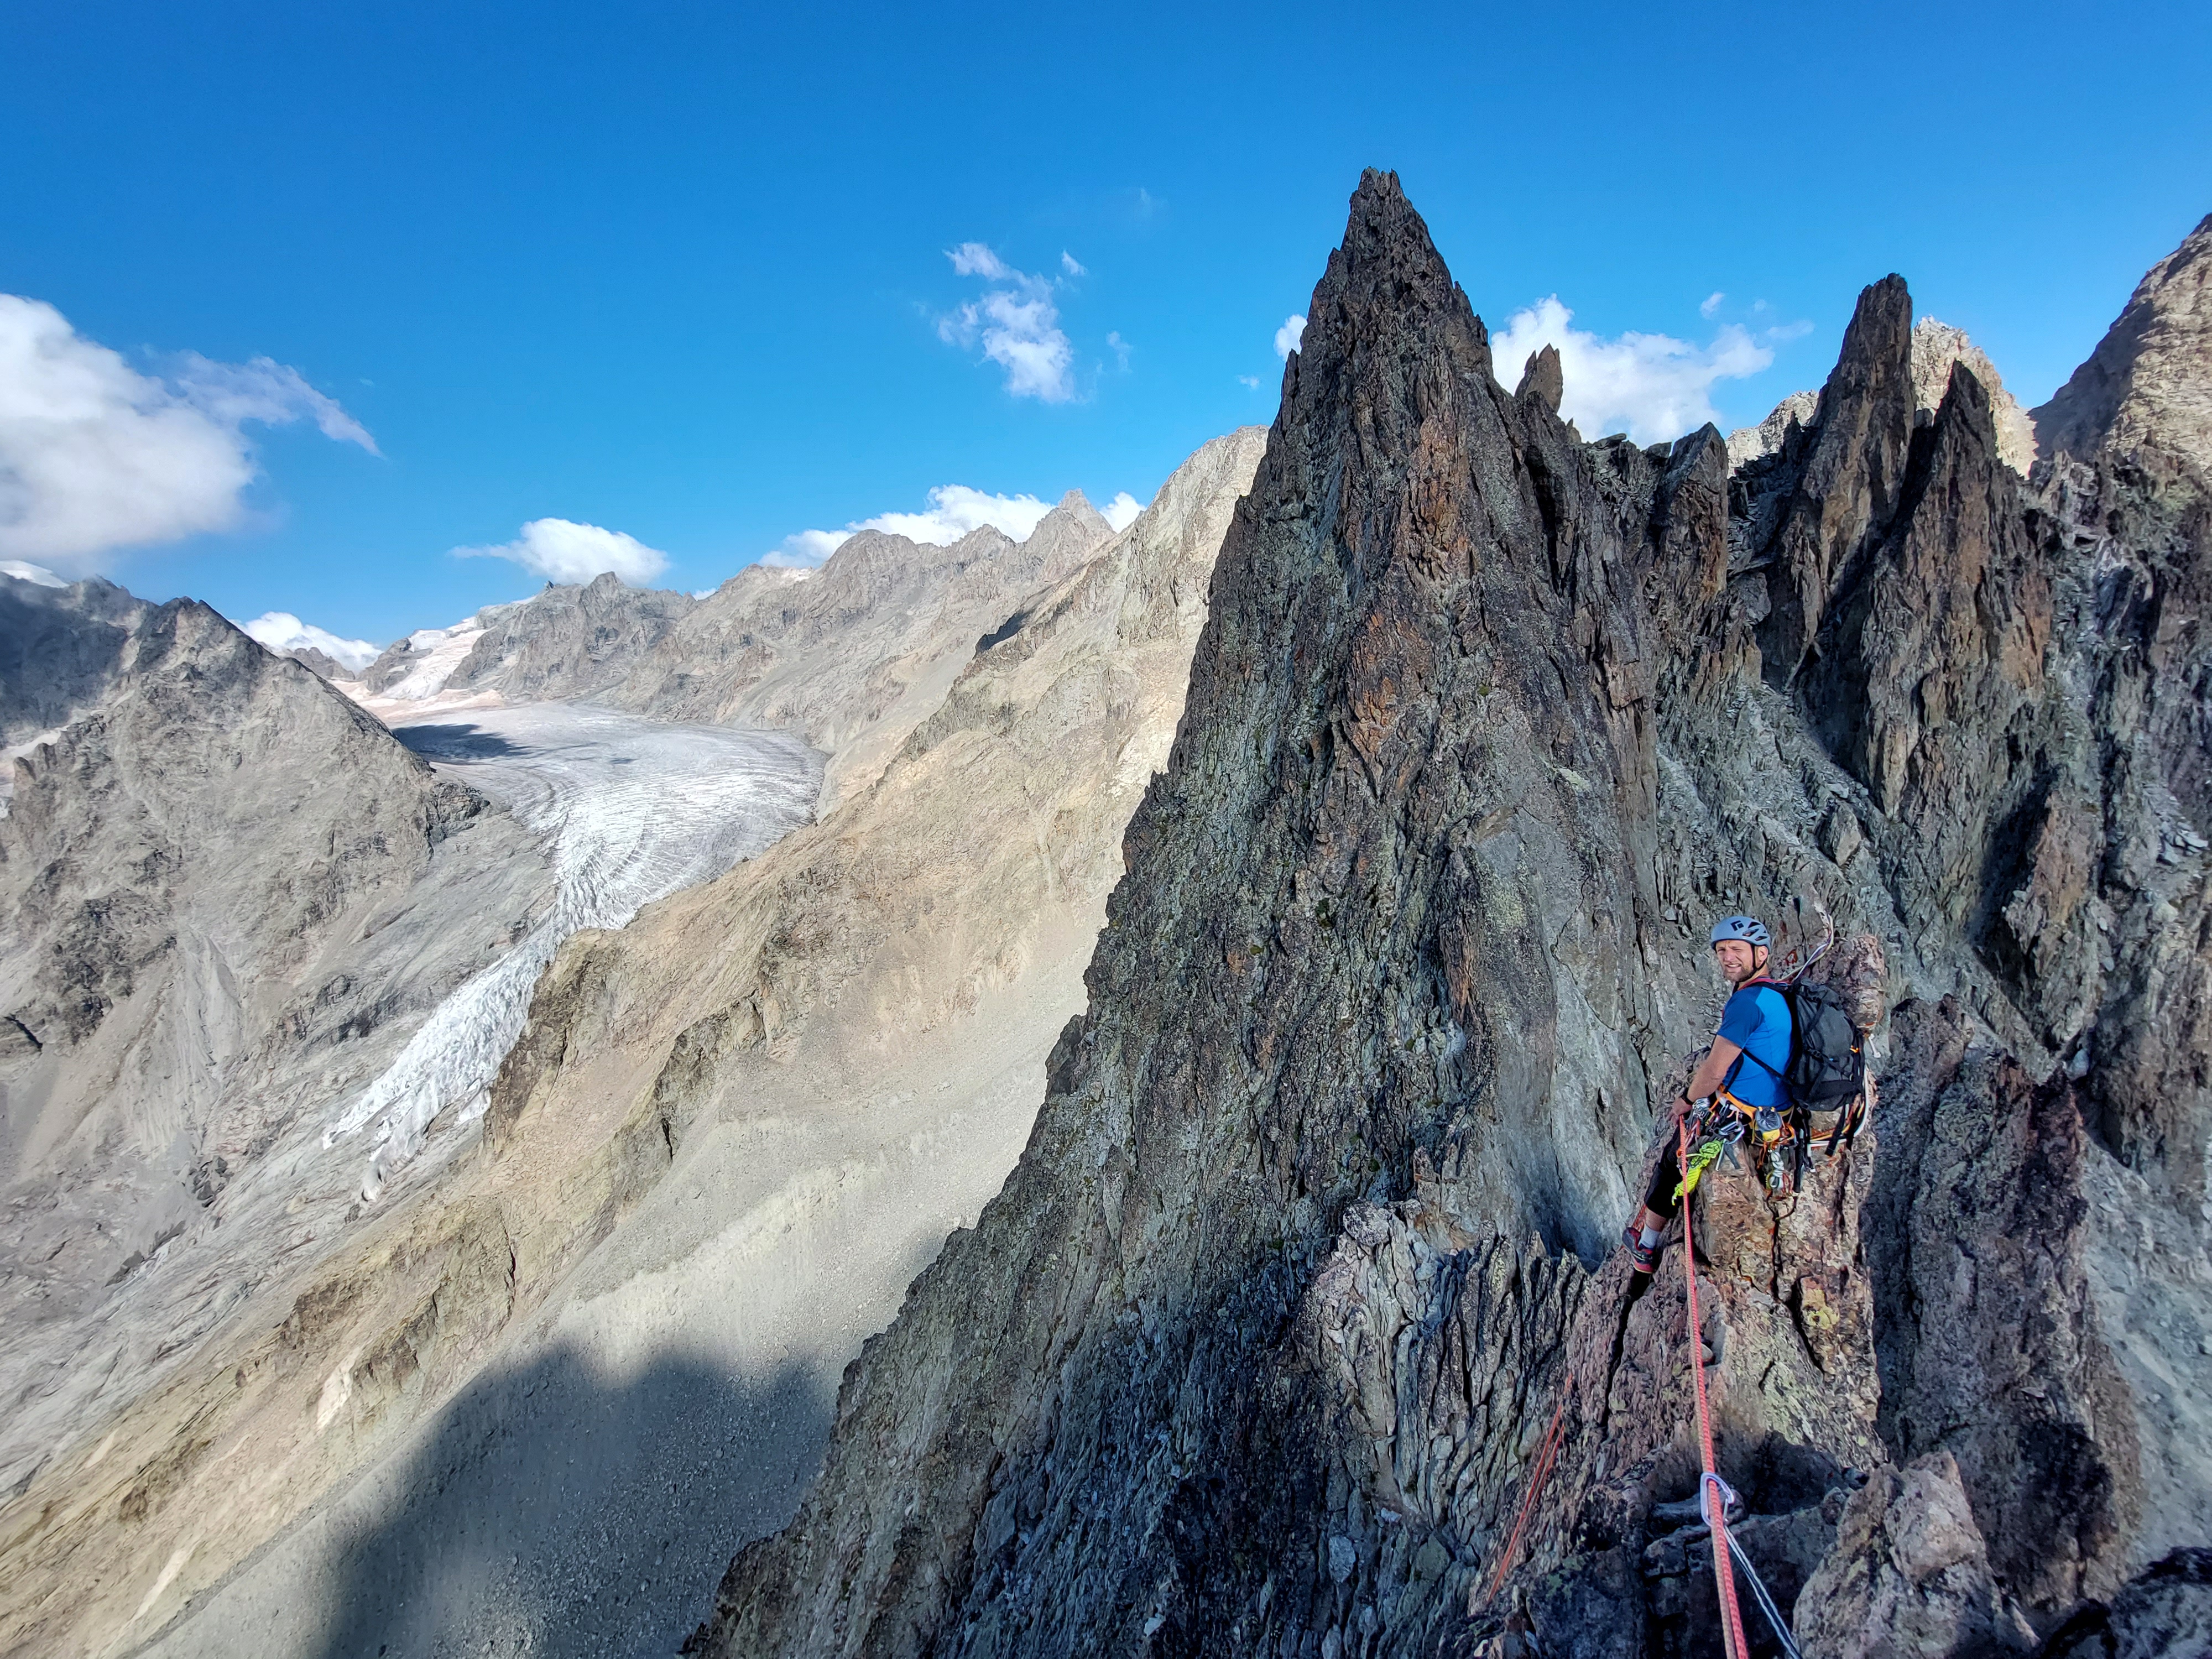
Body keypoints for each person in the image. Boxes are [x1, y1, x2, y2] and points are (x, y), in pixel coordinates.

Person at [1620, 915, 1792, 1274]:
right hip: (1778, 1107)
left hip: (1743, 1111)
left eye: (1736, 950)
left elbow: (1714, 1070)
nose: (1727, 958)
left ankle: (1647, 1246)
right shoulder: (1776, 992)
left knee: (1672, 1162)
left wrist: (1687, 1098)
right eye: (1722, 951)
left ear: (1760, 954)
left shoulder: (1748, 1003)